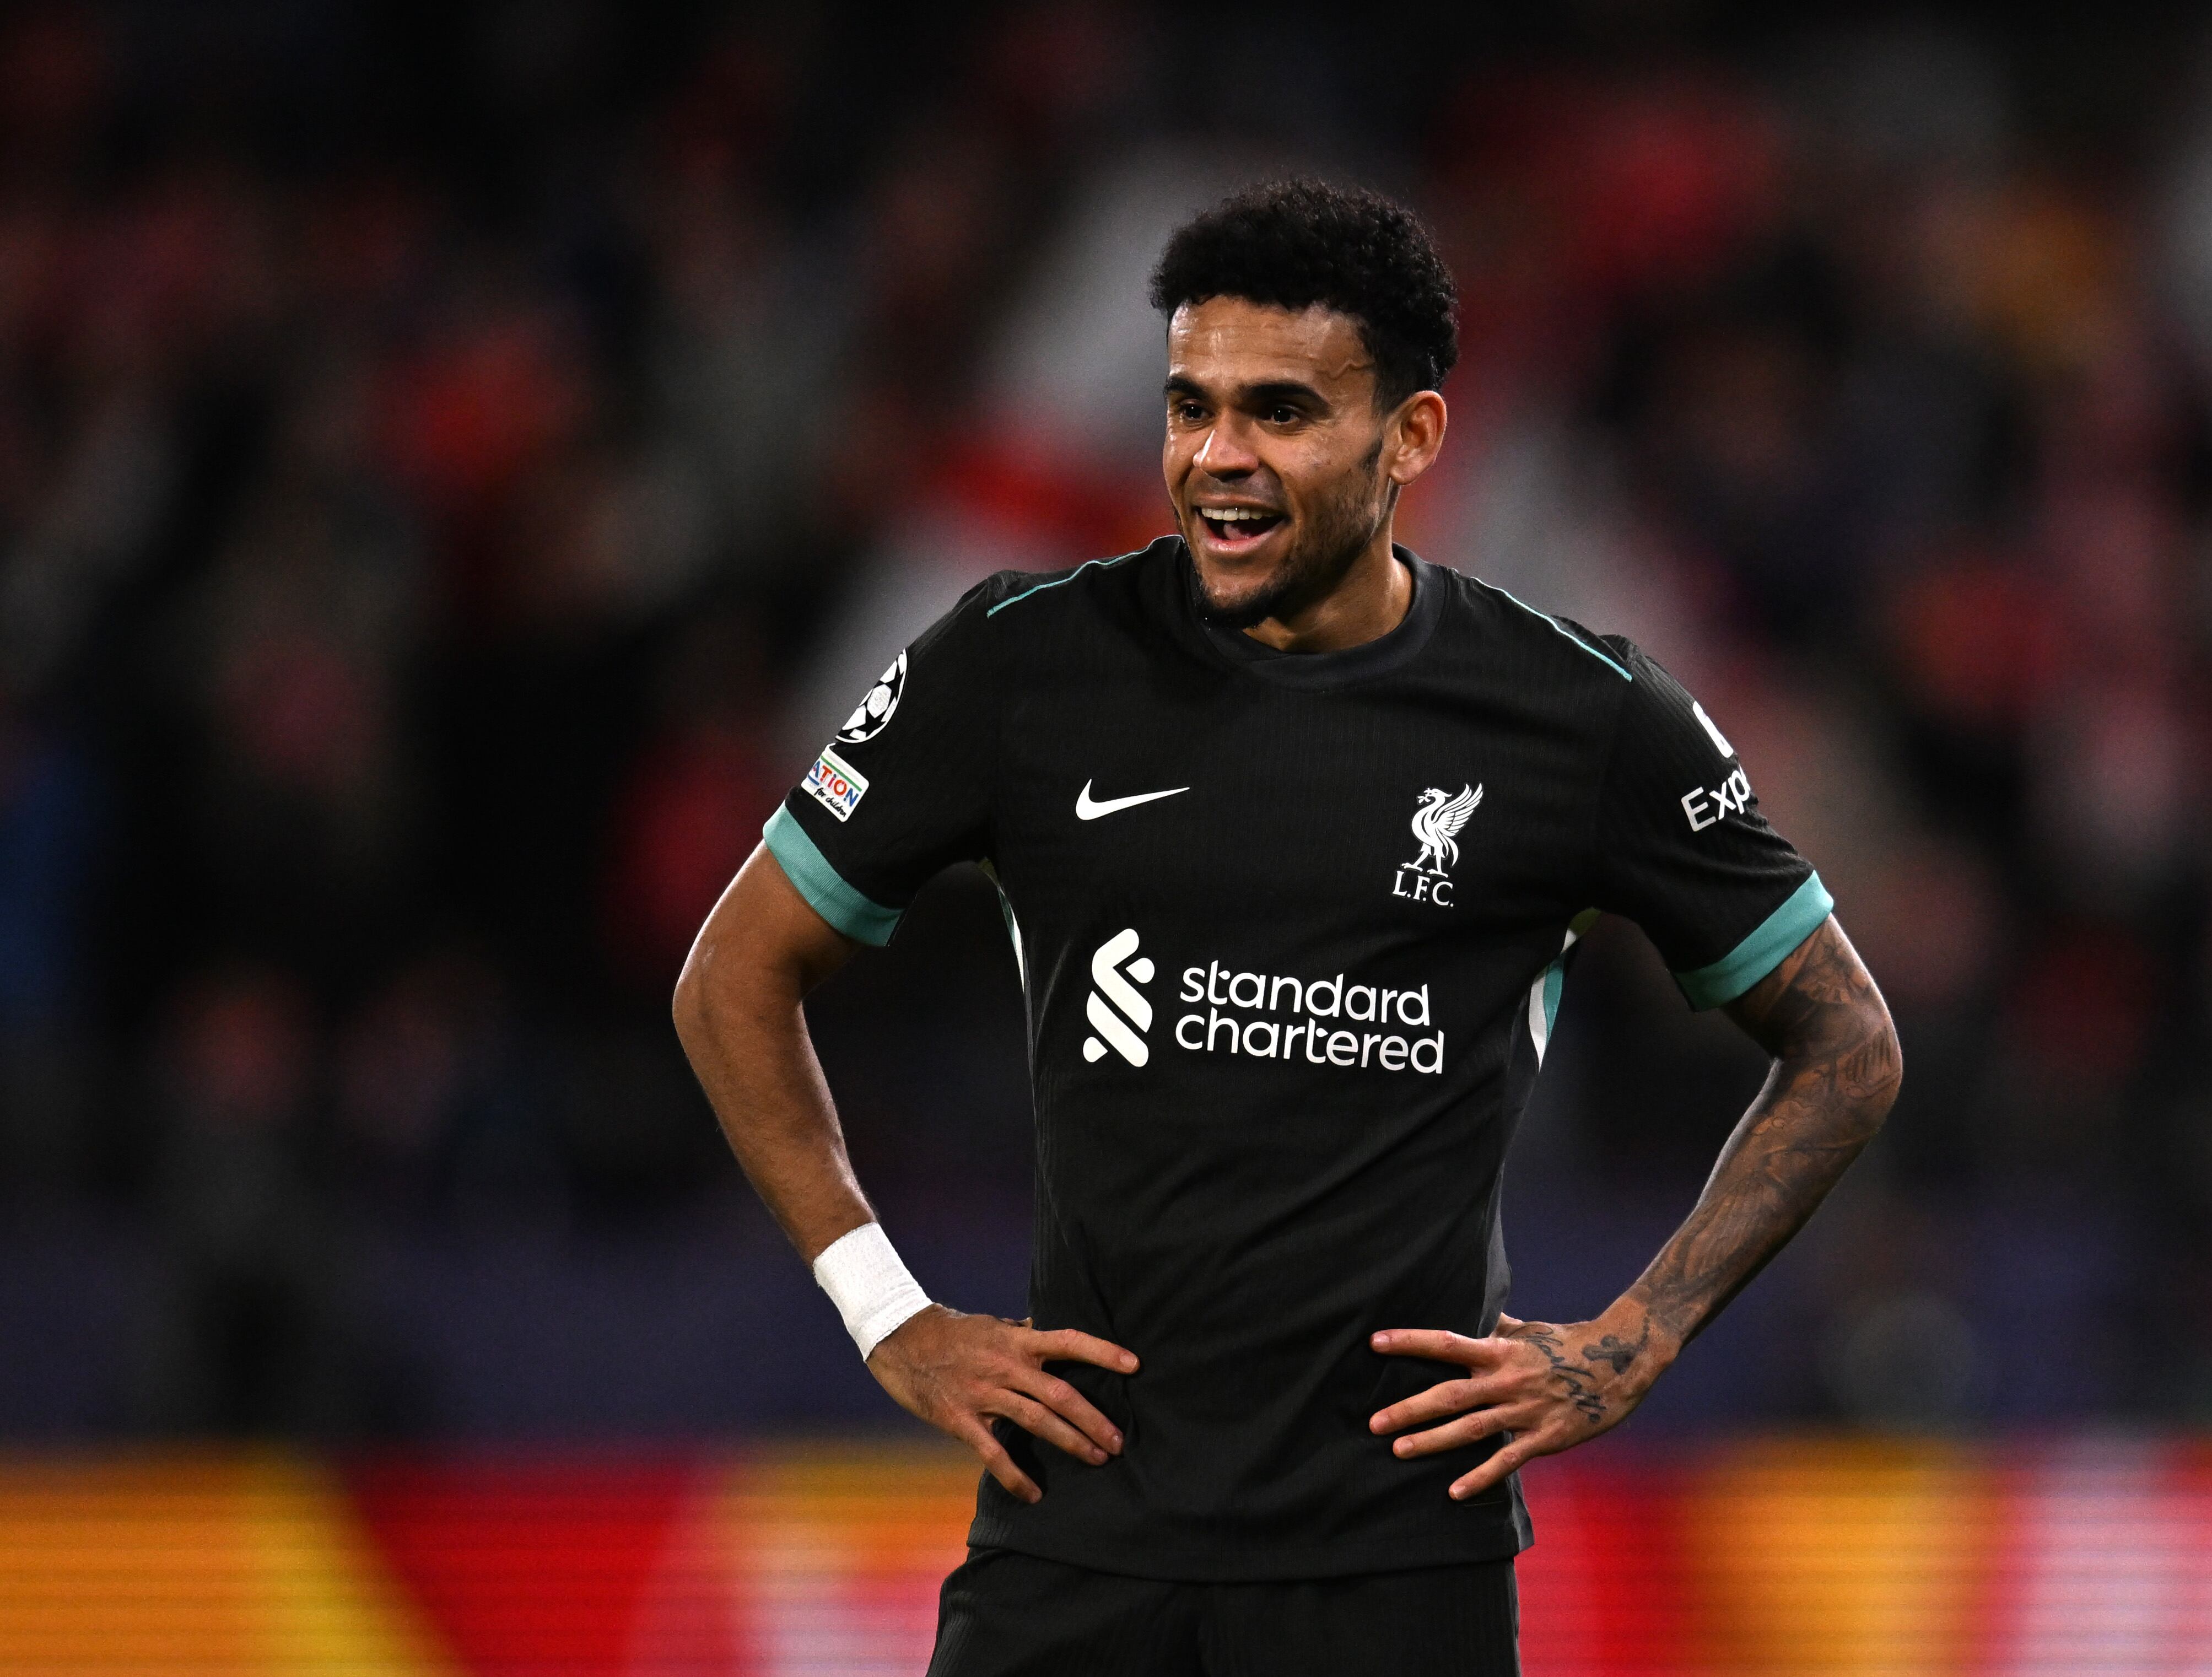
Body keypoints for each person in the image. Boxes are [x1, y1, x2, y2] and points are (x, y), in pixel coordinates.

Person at [674, 179, 1901, 1676]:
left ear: (1411, 439)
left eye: (1279, 412)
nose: (1217, 460)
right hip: (1077, 1545)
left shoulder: (1578, 715)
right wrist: (888, 1312)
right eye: (1188, 406)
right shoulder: (1022, 664)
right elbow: (732, 974)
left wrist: (1633, 1339)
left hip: (1392, 1573)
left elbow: (1844, 1039)